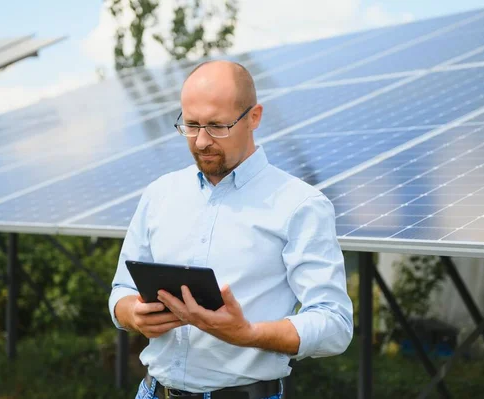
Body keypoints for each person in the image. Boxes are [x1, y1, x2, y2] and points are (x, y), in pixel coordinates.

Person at [109, 60, 354, 399]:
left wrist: (248, 333)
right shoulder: (159, 195)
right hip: (152, 392)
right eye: (191, 125)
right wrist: (134, 314)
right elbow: (121, 289)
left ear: (254, 117)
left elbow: (334, 325)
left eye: (217, 126)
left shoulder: (300, 205)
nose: (201, 141)